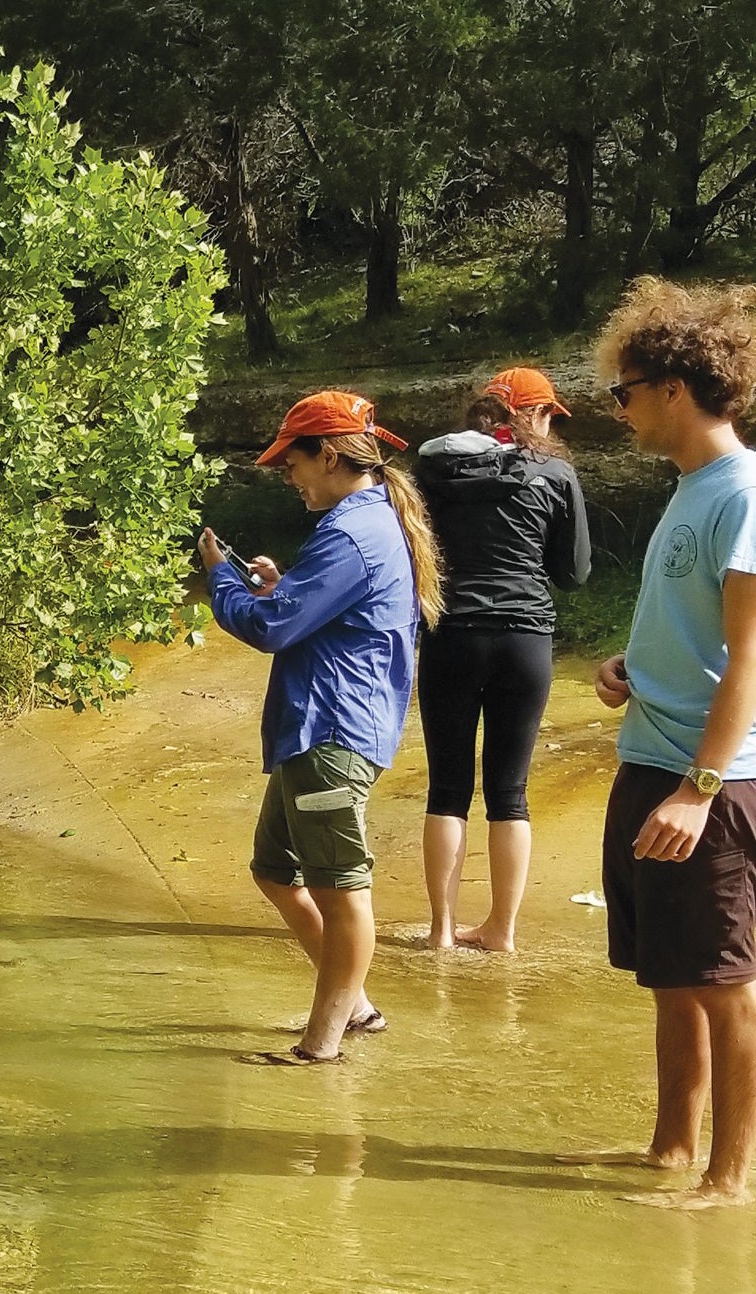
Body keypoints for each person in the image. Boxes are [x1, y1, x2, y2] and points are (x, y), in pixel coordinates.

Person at [575, 278, 756, 1208]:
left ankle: (729, 1182)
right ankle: (671, 1153)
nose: (620, 411)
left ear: (674, 389)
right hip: (653, 760)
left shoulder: (745, 493)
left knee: (723, 982)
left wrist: (700, 788)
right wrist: (625, 664)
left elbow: (750, 663)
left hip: (710, 783)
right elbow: (695, 638)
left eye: (625, 391)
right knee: (672, 975)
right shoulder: (691, 492)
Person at [198, 392, 442, 1064]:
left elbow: (270, 628)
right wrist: (286, 584)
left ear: (329, 455)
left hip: (331, 736)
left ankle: (323, 1044)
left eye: (292, 462)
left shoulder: (352, 532)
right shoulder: (364, 522)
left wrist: (221, 577)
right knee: (275, 871)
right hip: (319, 732)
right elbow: (313, 610)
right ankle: (354, 1005)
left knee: (342, 890)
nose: (288, 476)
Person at [414, 366, 592, 951]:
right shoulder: (557, 474)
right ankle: (500, 931)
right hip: (524, 638)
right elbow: (573, 573)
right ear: (529, 415)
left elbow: (417, 552)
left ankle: (441, 929)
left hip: (452, 635)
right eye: (548, 413)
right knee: (509, 792)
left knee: (447, 787)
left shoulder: (435, 471)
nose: (552, 423)